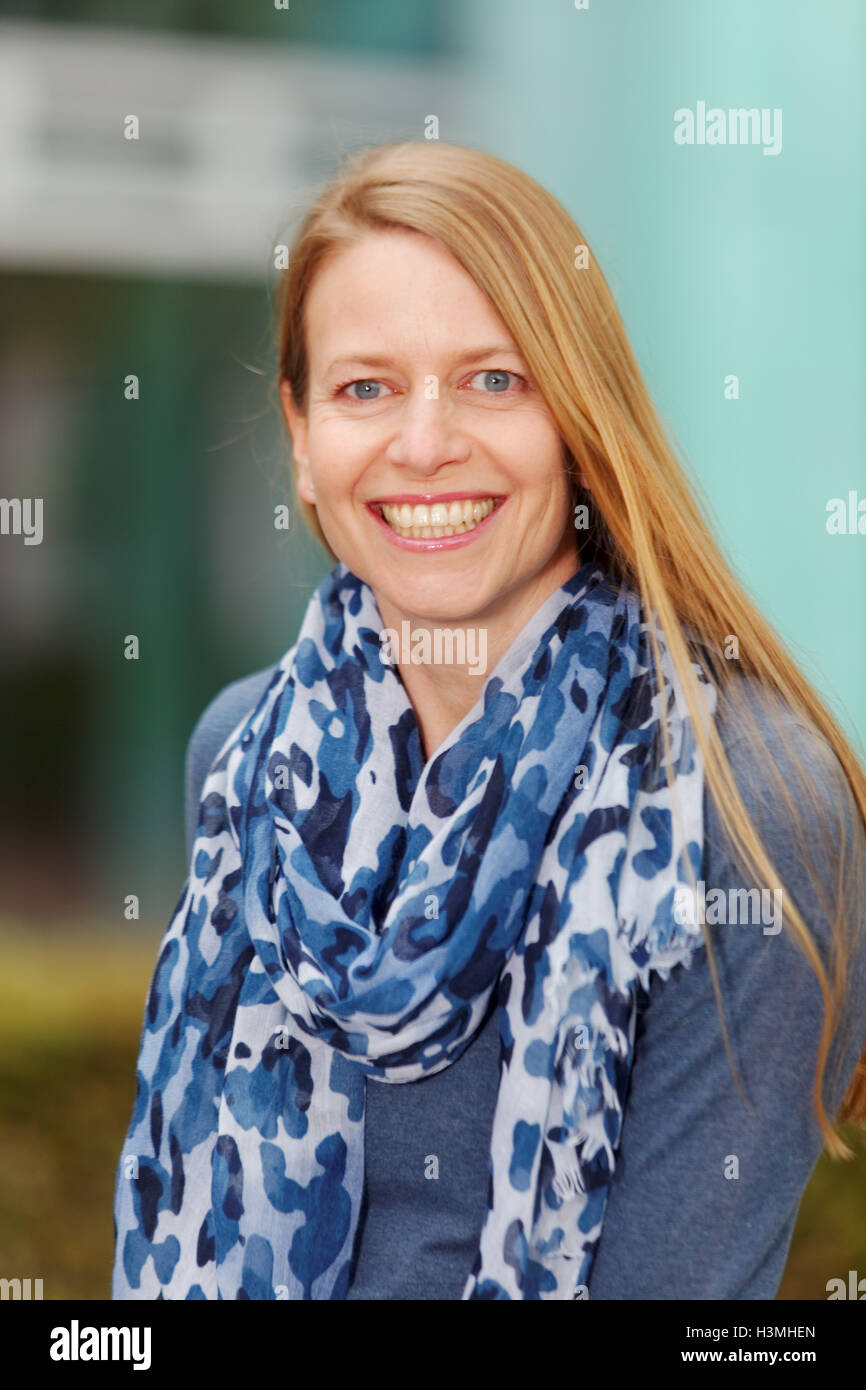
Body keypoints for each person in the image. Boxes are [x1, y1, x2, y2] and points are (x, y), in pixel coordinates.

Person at [112, 141, 866, 1301]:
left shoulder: (749, 806)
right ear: (301, 438)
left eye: (492, 380)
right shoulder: (242, 751)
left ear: (578, 421)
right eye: (365, 387)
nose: (423, 444)